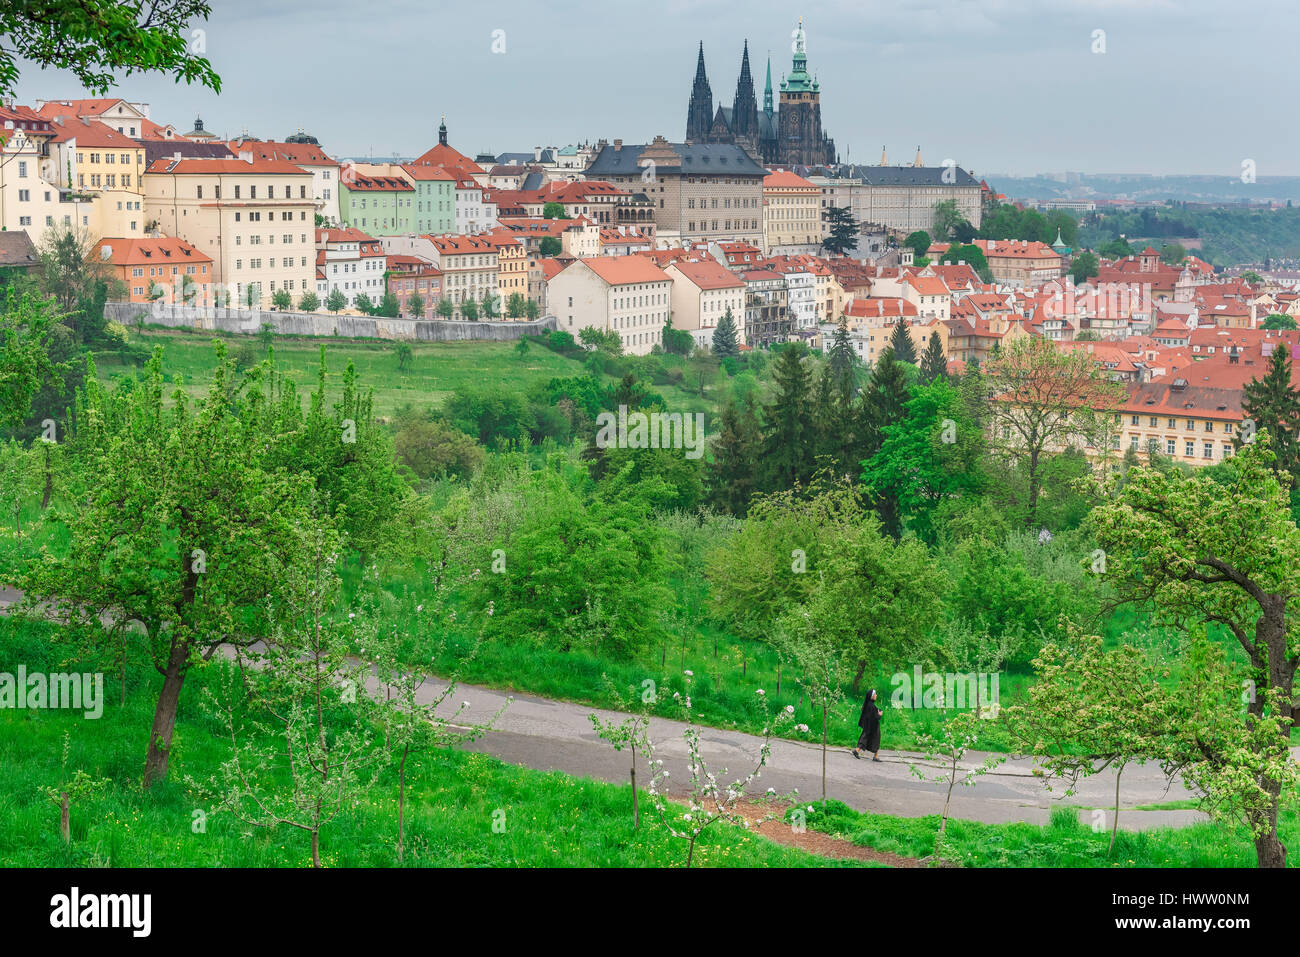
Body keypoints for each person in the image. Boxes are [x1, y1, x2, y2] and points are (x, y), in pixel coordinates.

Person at [852, 689, 883, 762]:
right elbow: (875, 717)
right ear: (871, 696)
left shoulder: (868, 704)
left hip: (869, 726)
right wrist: (879, 715)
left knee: (865, 738)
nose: (876, 695)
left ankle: (858, 751)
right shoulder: (871, 706)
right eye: (875, 694)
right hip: (873, 726)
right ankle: (875, 756)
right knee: (876, 739)